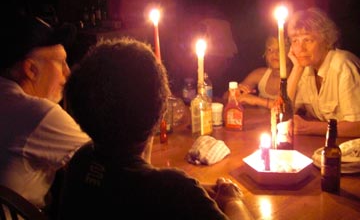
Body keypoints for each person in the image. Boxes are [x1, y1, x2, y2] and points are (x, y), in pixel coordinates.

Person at [58, 38, 254, 220]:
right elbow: (150, 189)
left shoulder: (81, 161)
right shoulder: (175, 191)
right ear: (161, 112)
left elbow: (126, 185)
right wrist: (233, 201)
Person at [0, 13, 91, 215]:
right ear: (31, 70)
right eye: (61, 63)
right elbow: (107, 160)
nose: (68, 72)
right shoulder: (37, 114)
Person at [287, 7, 360, 137]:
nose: (300, 48)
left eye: (308, 40)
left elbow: (357, 126)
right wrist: (297, 68)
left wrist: (310, 128)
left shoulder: (343, 65)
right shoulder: (306, 68)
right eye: (295, 41)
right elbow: (281, 111)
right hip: (328, 146)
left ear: (326, 41)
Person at [223, 36, 290, 109]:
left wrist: (256, 100)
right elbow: (225, 97)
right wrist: (234, 93)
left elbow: (285, 108)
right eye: (270, 50)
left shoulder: (299, 77)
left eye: (280, 49)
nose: (274, 54)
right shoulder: (259, 74)